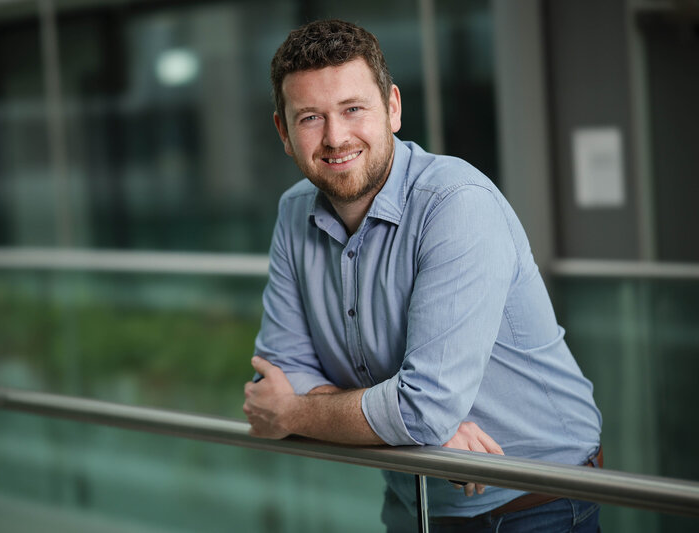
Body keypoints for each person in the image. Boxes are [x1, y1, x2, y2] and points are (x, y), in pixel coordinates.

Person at [242, 19, 602, 532]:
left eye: (352, 109)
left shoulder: (456, 204)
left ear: (392, 107)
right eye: (309, 118)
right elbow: (281, 370)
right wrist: (417, 422)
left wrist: (298, 414)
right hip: (415, 498)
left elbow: (418, 410)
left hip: (536, 503)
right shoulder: (293, 211)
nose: (335, 136)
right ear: (283, 132)